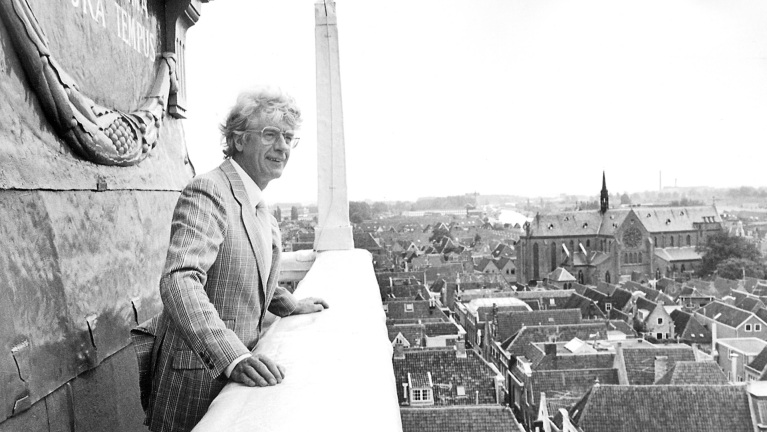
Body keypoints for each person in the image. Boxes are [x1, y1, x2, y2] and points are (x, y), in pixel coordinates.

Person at [135, 86, 328, 432]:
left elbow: (242, 272)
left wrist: (286, 302)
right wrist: (233, 356)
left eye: (288, 137)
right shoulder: (210, 190)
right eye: (270, 134)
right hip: (193, 384)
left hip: (232, 390)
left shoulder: (257, 204)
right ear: (239, 140)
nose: (282, 146)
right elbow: (180, 279)